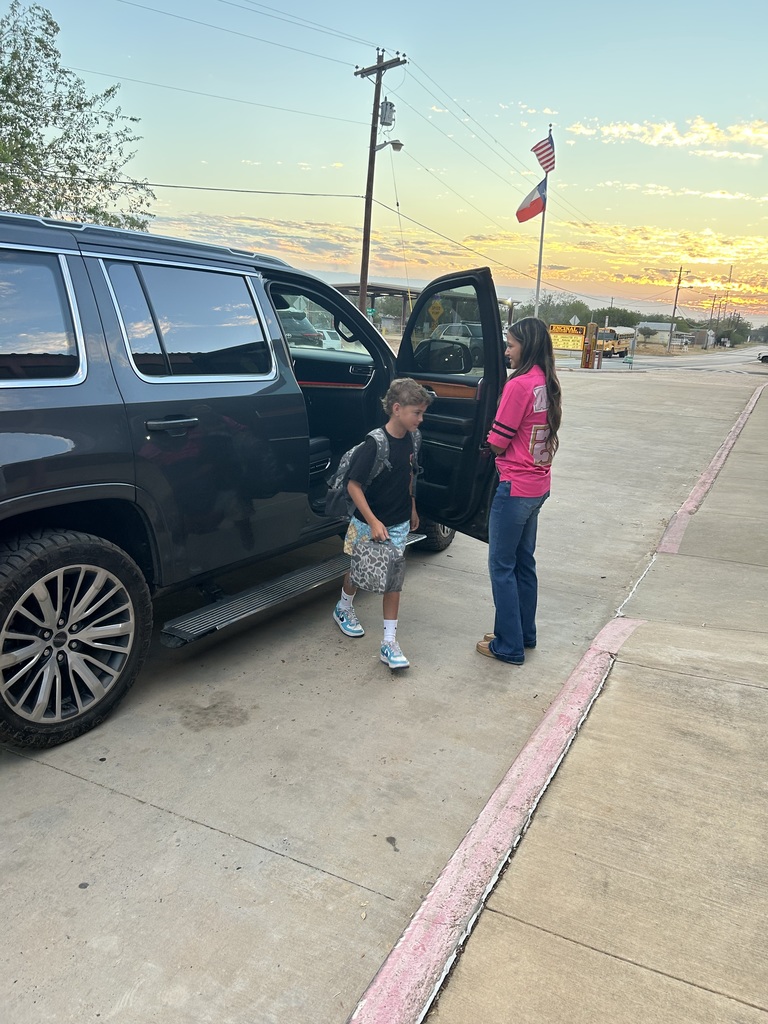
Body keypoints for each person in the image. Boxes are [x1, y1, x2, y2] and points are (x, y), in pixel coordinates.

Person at [477, 317, 562, 665]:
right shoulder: (546, 382)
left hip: (514, 487)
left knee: (501, 566)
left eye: (511, 345)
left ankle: (508, 645)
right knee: (524, 564)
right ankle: (522, 633)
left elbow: (498, 442)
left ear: (525, 346)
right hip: (538, 485)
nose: (506, 351)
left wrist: (483, 446)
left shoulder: (519, 385)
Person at [333, 378, 432, 669]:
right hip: (368, 523)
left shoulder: (414, 438)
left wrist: (412, 507)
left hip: (399, 522)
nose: (420, 419)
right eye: (417, 412)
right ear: (397, 409)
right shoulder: (374, 444)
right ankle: (343, 607)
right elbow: (353, 485)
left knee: (393, 580)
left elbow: (410, 474)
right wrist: (373, 521)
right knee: (359, 573)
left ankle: (389, 642)